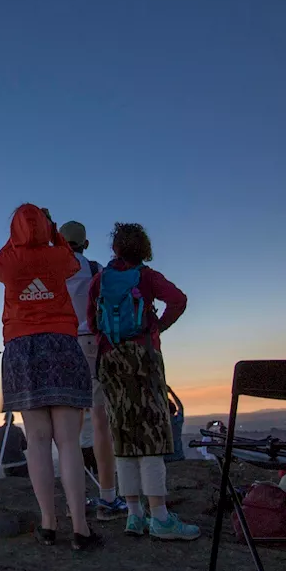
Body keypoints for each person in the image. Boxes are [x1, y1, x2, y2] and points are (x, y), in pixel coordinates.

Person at [0, 204, 100, 551]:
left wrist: (21, 235)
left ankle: (48, 524)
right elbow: (69, 257)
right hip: (62, 343)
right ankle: (80, 528)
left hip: (21, 347)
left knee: (37, 441)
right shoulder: (58, 257)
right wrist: (50, 231)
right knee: (68, 441)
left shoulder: (9, 261)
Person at [87, 222, 198, 542]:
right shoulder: (148, 277)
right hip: (144, 357)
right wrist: (157, 328)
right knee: (151, 434)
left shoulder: (100, 280)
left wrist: (108, 341)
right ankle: (161, 517)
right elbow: (178, 299)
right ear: (144, 248)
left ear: (116, 249)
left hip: (110, 360)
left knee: (122, 434)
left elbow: (92, 320)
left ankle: (134, 515)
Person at [60, 221, 127, 520]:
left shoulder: (49, 272)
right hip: (90, 344)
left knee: (67, 429)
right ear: (85, 245)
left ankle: (74, 501)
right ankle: (108, 498)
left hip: (59, 346)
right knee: (100, 421)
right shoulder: (95, 268)